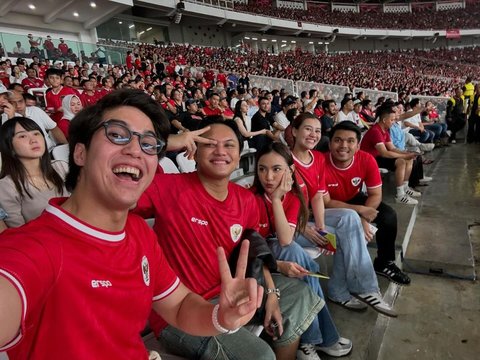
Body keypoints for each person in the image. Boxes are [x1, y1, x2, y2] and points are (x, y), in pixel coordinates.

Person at [0, 89, 262, 359]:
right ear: (80, 153)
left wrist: (222, 317)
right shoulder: (34, 248)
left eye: (149, 144)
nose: (135, 150)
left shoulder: (138, 234)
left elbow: (180, 305)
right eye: (116, 134)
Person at [135, 118, 324, 360]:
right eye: (210, 144)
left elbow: (256, 253)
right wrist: (167, 143)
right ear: (192, 150)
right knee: (261, 356)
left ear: (239, 155)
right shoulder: (166, 188)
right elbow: (105, 191)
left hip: (230, 293)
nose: (221, 151)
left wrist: (272, 295)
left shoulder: (244, 200)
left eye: (229, 145)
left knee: (299, 294)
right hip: (180, 309)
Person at [253, 142, 354, 360]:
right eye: (262, 169)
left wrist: (278, 199)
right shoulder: (250, 198)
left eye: (276, 169)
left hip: (271, 249)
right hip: (254, 257)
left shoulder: (293, 197)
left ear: (290, 171)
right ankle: (317, 339)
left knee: (295, 256)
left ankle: (311, 339)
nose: (268, 177)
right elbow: (279, 240)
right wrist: (277, 199)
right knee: (292, 252)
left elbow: (284, 237)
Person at [290, 113, 398, 313]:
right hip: (288, 227)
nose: (313, 134)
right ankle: (355, 289)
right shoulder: (284, 159)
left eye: (317, 131)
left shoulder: (315, 160)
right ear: (294, 131)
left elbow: (317, 197)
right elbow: (270, 204)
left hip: (311, 218)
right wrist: (302, 227)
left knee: (351, 221)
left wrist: (321, 228)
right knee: (347, 235)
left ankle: (357, 289)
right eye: (307, 129)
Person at [324, 121, 411, 285]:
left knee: (388, 216)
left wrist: (365, 218)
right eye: (338, 140)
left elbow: (375, 194)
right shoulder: (321, 162)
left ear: (358, 146)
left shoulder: (366, 159)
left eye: (350, 141)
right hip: (328, 205)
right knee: (350, 218)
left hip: (352, 197)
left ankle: (385, 262)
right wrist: (359, 212)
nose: (343, 145)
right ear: (329, 143)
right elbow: (326, 202)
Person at [0, 117, 69, 228]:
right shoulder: (7, 186)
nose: (33, 140)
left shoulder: (61, 166)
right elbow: (19, 232)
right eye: (22, 136)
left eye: (36, 134)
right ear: (10, 147)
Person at [360, 105, 421, 205]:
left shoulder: (385, 130)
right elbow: (384, 153)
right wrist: (404, 156)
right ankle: (400, 195)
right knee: (401, 161)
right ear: (384, 120)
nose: (394, 122)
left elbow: (392, 148)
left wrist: (407, 153)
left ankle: (405, 187)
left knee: (409, 159)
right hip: (370, 160)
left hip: (378, 157)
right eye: (392, 120)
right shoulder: (375, 131)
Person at [2, 90, 67, 152]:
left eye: (20, 101)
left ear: (24, 101)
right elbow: (11, 141)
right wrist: (11, 117)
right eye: (13, 103)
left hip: (51, 150)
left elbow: (54, 128)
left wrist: (67, 147)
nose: (18, 106)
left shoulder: (36, 110)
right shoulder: (7, 116)